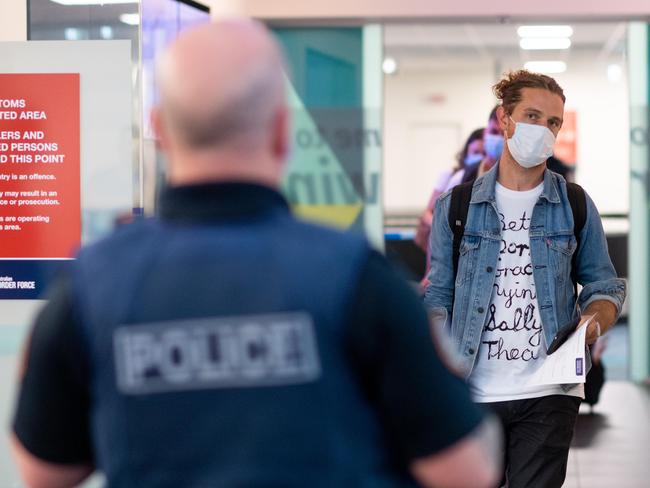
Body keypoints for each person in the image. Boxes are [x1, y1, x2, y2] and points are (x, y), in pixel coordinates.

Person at [10, 20, 502, 488]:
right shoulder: (356, 277)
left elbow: (44, 470)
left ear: (160, 128)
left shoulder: (92, 283)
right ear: (282, 130)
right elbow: (465, 470)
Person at [424, 70, 626, 488]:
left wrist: (593, 323)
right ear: (505, 118)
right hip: (473, 391)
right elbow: (438, 297)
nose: (543, 130)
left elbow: (604, 287)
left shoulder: (574, 204)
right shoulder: (456, 206)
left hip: (550, 390)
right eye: (532, 116)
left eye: (553, 122)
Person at [415, 127, 485, 253]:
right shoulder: (451, 176)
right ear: (466, 153)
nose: (480, 158)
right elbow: (428, 213)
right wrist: (446, 229)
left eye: (484, 153)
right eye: (475, 152)